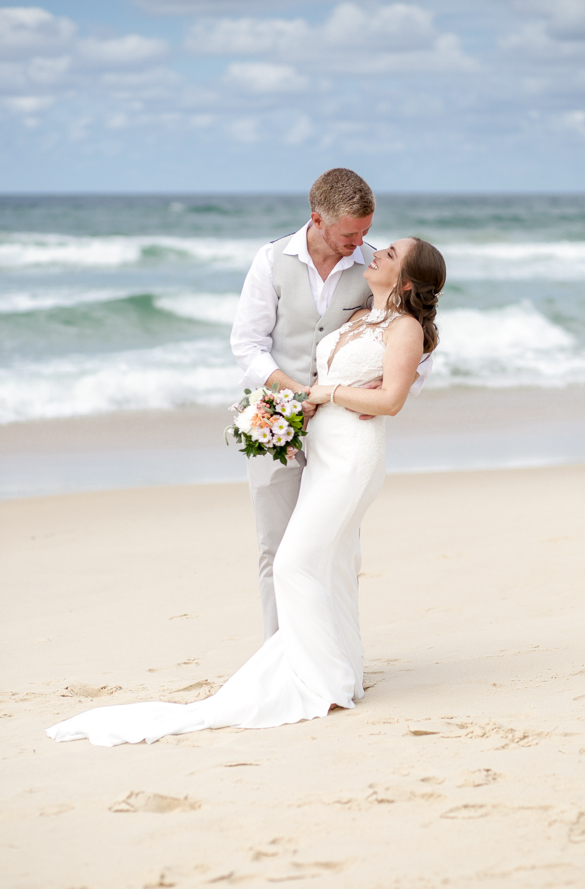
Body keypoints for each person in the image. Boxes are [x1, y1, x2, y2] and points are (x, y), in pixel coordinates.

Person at [45, 234, 445, 747]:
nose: (375, 252)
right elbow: (284, 355)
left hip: (352, 456)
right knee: (334, 560)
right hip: (322, 449)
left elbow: (392, 399)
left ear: (406, 281)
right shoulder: (364, 315)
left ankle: (318, 678)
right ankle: (342, 671)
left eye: (389, 254)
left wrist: (328, 392)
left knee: (293, 562)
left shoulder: (406, 327)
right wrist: (297, 405)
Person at [231, 168, 432, 642]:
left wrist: (385, 389)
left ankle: (333, 650)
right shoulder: (270, 260)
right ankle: (279, 653)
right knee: (276, 548)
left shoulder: (371, 268)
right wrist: (295, 392)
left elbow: (412, 339)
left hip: (339, 434)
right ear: (318, 219)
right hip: (275, 423)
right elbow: (248, 345)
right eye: (350, 233)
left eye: (366, 231)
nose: (360, 241)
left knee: (337, 547)